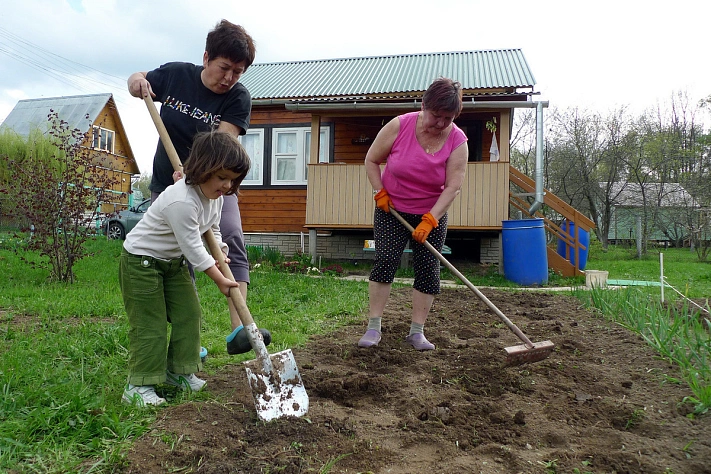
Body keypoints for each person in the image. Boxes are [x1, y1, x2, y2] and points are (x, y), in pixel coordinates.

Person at [127, 19, 269, 356]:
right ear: (207, 57)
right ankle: (189, 339)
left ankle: (241, 327)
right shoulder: (177, 75)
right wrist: (136, 83)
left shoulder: (238, 98)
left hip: (214, 179)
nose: (229, 78)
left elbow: (222, 146)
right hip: (169, 185)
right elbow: (139, 79)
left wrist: (195, 173)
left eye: (238, 71)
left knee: (230, 236)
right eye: (224, 68)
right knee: (180, 253)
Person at [119, 131, 247, 406]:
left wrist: (221, 253)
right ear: (203, 169)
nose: (227, 185)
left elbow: (211, 229)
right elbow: (193, 249)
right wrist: (219, 280)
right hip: (142, 262)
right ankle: (138, 386)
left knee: (189, 314)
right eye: (222, 177)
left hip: (173, 262)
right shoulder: (182, 201)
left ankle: (178, 372)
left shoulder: (215, 197)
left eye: (232, 179)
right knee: (150, 324)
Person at [359, 77, 469, 351]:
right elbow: (371, 160)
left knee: (429, 270)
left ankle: (417, 332)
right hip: (392, 210)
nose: (442, 123)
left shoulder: (457, 140)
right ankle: (374, 327)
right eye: (436, 116)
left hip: (431, 214)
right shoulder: (400, 125)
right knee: (385, 261)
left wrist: (431, 219)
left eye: (449, 117)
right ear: (423, 105)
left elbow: (454, 186)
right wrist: (379, 191)